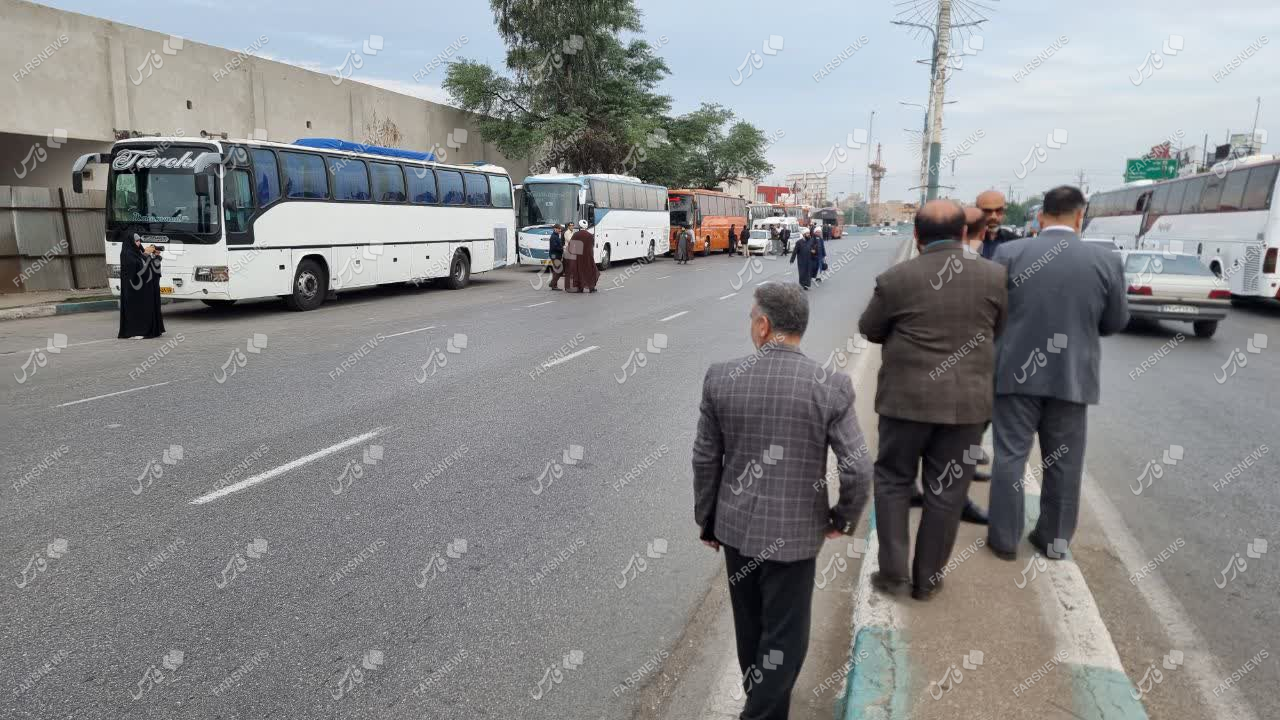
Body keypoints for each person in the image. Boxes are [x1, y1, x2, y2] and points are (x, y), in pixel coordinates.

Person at [693, 282, 870, 720]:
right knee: (785, 640)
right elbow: (859, 468)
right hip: (796, 536)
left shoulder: (720, 378)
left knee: (751, 631)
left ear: (763, 324)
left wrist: (708, 519)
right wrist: (841, 519)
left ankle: (760, 709)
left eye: (751, 316)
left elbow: (704, 458)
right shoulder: (831, 386)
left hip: (736, 532)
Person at [858, 201, 1007, 600]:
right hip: (967, 407)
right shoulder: (995, 277)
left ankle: (892, 575)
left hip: (904, 403)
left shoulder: (895, 279)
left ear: (916, 237)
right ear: (963, 234)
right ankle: (928, 581)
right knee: (948, 491)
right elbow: (1000, 328)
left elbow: (870, 330)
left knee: (892, 481)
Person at [987, 186, 1129, 561]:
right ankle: (1053, 541)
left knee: (1010, 457)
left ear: (1041, 216)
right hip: (1072, 378)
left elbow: (992, 314)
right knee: (1064, 462)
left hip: (1014, 375)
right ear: (1080, 216)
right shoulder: (1105, 260)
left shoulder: (1010, 253)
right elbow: (1115, 321)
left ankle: (1003, 541)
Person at [118, 232, 166, 339]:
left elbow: (149, 267)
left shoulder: (139, 252)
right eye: (136, 241)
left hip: (144, 288)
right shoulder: (127, 254)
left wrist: (156, 257)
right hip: (133, 290)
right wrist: (146, 254)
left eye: (139, 240)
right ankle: (135, 331)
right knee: (136, 310)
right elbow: (135, 268)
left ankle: (148, 330)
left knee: (148, 307)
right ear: (130, 242)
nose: (138, 243)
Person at [976, 190, 1019, 259]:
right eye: (987, 211)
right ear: (977, 211)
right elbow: (969, 266)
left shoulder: (1015, 241)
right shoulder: (967, 240)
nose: (993, 217)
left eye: (998, 210)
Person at [566, 219, 600, 293]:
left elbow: (571, 246)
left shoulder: (576, 234)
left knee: (579, 271)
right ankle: (591, 287)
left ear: (579, 226)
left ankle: (579, 288)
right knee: (590, 270)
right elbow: (592, 246)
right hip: (588, 257)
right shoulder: (590, 235)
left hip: (578, 257)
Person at [547, 224, 566, 291]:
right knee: (558, 270)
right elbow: (554, 247)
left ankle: (553, 284)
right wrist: (562, 248)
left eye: (560, 229)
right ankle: (553, 284)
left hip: (556, 255)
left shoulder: (556, 236)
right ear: (555, 229)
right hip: (554, 255)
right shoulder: (553, 237)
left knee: (558, 270)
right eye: (558, 229)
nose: (560, 230)